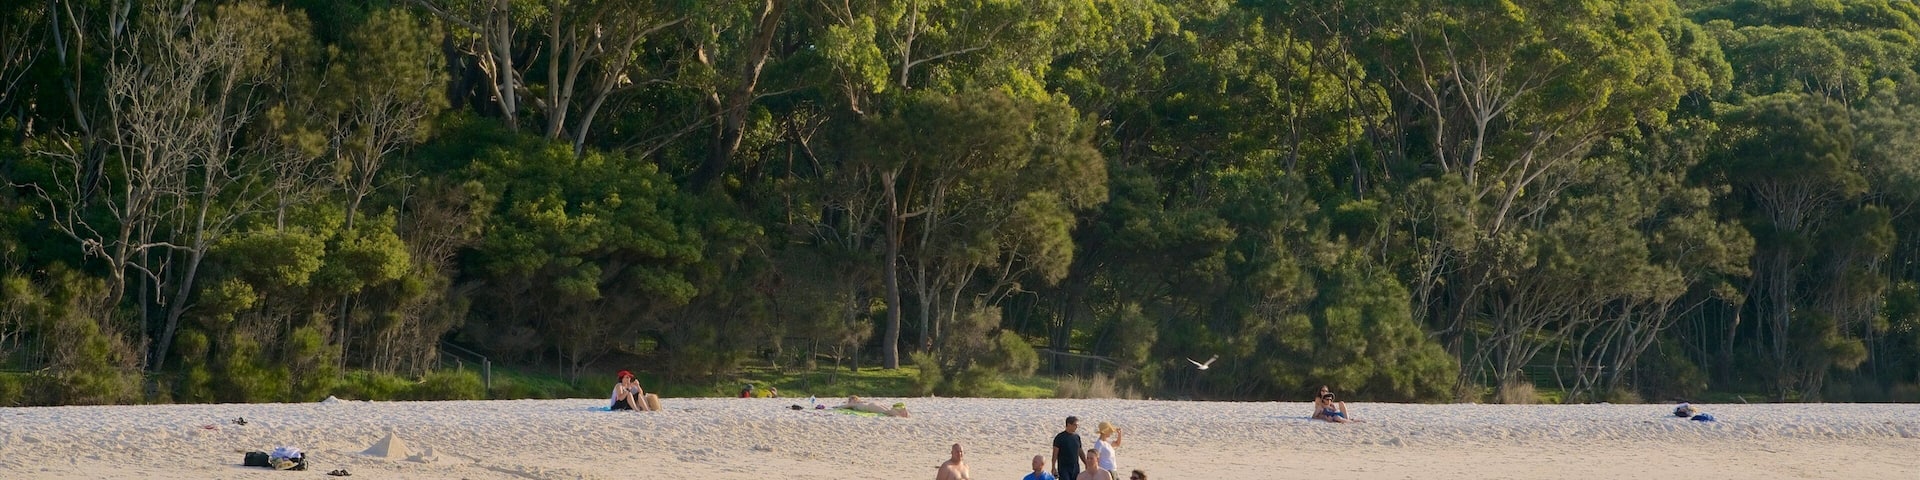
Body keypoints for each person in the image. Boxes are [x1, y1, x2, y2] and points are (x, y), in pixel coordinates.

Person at [836, 396, 911, 417]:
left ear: (852, 400)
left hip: (871, 407)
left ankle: (900, 414)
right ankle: (901, 411)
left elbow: (842, 407)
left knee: (886, 412)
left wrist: (835, 407)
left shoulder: (854, 403)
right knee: (887, 409)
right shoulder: (862, 402)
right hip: (874, 403)